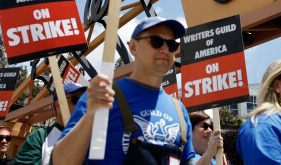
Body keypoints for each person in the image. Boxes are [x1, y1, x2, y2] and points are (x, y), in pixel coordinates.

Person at [53, 16, 195, 164]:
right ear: (133, 47)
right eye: (156, 41)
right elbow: (60, 161)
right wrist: (90, 116)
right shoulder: (102, 96)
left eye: (172, 45)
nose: (165, 50)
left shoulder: (180, 111)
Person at [14, 83, 87, 165]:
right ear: (58, 104)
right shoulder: (39, 137)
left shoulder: (92, 140)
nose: (83, 105)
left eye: (85, 101)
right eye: (76, 100)